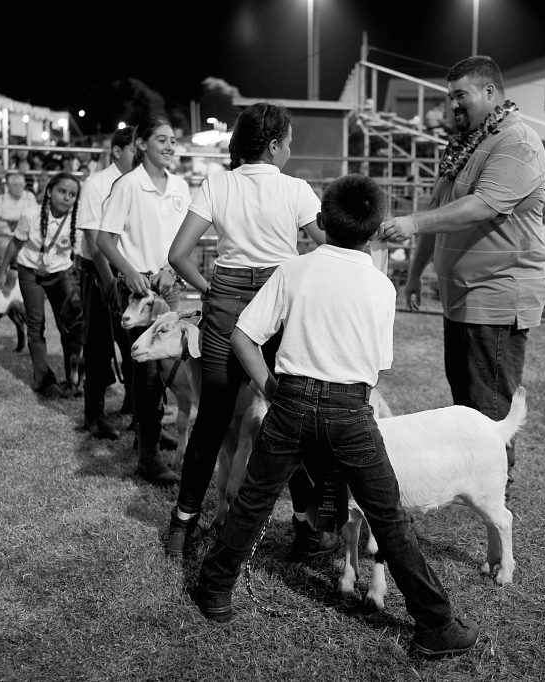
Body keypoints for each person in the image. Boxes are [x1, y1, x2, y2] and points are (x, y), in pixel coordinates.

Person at [194, 174, 480, 659]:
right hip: (351, 407)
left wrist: (269, 386)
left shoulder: (293, 270)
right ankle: (434, 623)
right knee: (388, 516)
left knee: (256, 499)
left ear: (322, 220)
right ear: (372, 232)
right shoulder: (379, 286)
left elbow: (243, 336)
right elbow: (377, 368)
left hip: (289, 401)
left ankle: (214, 589)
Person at [164, 102, 335, 560]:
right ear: (275, 144)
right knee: (291, 416)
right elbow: (331, 245)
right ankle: (307, 527)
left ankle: (182, 527)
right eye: (289, 142)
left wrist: (209, 290)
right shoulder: (296, 189)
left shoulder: (217, 184)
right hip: (280, 304)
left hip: (227, 301)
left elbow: (179, 254)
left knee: (213, 419)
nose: (290, 150)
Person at [386, 56, 545, 498]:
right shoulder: (467, 143)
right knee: (466, 399)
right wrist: (416, 272)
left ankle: (499, 489)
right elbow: (439, 212)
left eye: (462, 95)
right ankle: (472, 476)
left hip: (497, 293)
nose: (453, 105)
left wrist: (414, 224)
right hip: (462, 295)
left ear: (491, 92)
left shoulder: (517, 142)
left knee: (489, 402)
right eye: (450, 96)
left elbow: (484, 205)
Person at [95, 116, 191, 486]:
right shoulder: (128, 185)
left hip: (168, 286)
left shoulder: (180, 186)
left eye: (172, 140)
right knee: (147, 370)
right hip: (137, 291)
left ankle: (148, 434)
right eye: (162, 140)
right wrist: (131, 272)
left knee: (168, 368)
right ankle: (148, 457)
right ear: (141, 145)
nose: (169, 146)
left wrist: (172, 270)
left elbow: (185, 237)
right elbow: (104, 240)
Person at [0, 172, 83, 398]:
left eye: (72, 194)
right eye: (62, 191)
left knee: (68, 326)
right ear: (49, 191)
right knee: (36, 326)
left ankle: (73, 378)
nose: (66, 197)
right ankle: (44, 380)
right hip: (30, 273)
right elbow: (16, 243)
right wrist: (3, 272)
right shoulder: (31, 215)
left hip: (60, 274)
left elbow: (83, 253)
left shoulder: (78, 219)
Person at [75, 126, 137, 439]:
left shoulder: (137, 183)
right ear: (116, 151)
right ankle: (94, 415)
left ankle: (136, 408)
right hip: (100, 273)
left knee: (135, 345)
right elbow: (91, 235)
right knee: (99, 344)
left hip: (126, 272)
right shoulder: (97, 184)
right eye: (133, 149)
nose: (138, 154)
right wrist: (109, 280)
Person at [0, 173, 39, 264]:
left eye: (21, 185)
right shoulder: (1, 199)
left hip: (26, 231)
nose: (18, 187)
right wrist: (5, 231)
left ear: (24, 185)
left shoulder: (29, 196)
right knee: (4, 244)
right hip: (6, 232)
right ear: (8, 186)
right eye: (15, 185)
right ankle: (4, 270)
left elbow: (35, 219)